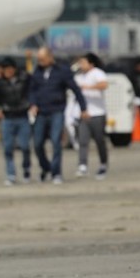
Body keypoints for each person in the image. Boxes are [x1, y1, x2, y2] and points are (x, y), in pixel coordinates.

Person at [30, 47, 87, 184]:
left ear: (50, 58)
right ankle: (46, 167)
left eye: (43, 59)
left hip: (56, 111)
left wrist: (83, 108)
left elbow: (76, 89)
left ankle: (56, 173)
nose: (40, 62)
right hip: (41, 112)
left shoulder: (62, 71)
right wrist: (33, 104)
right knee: (37, 143)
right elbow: (32, 90)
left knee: (56, 141)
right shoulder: (37, 72)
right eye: (39, 60)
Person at [0, 57, 33, 185]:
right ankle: (11, 174)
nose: (7, 72)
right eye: (5, 70)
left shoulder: (24, 78)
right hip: (7, 117)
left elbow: (32, 91)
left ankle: (26, 169)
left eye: (9, 69)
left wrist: (31, 104)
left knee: (25, 146)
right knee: (8, 148)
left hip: (22, 115)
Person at [73, 52, 109, 179]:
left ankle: (103, 164)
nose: (80, 65)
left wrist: (88, 87)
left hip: (98, 113)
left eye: (83, 62)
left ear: (91, 63)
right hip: (84, 114)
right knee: (82, 141)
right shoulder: (78, 76)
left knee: (100, 140)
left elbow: (104, 85)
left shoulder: (97, 73)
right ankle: (82, 165)